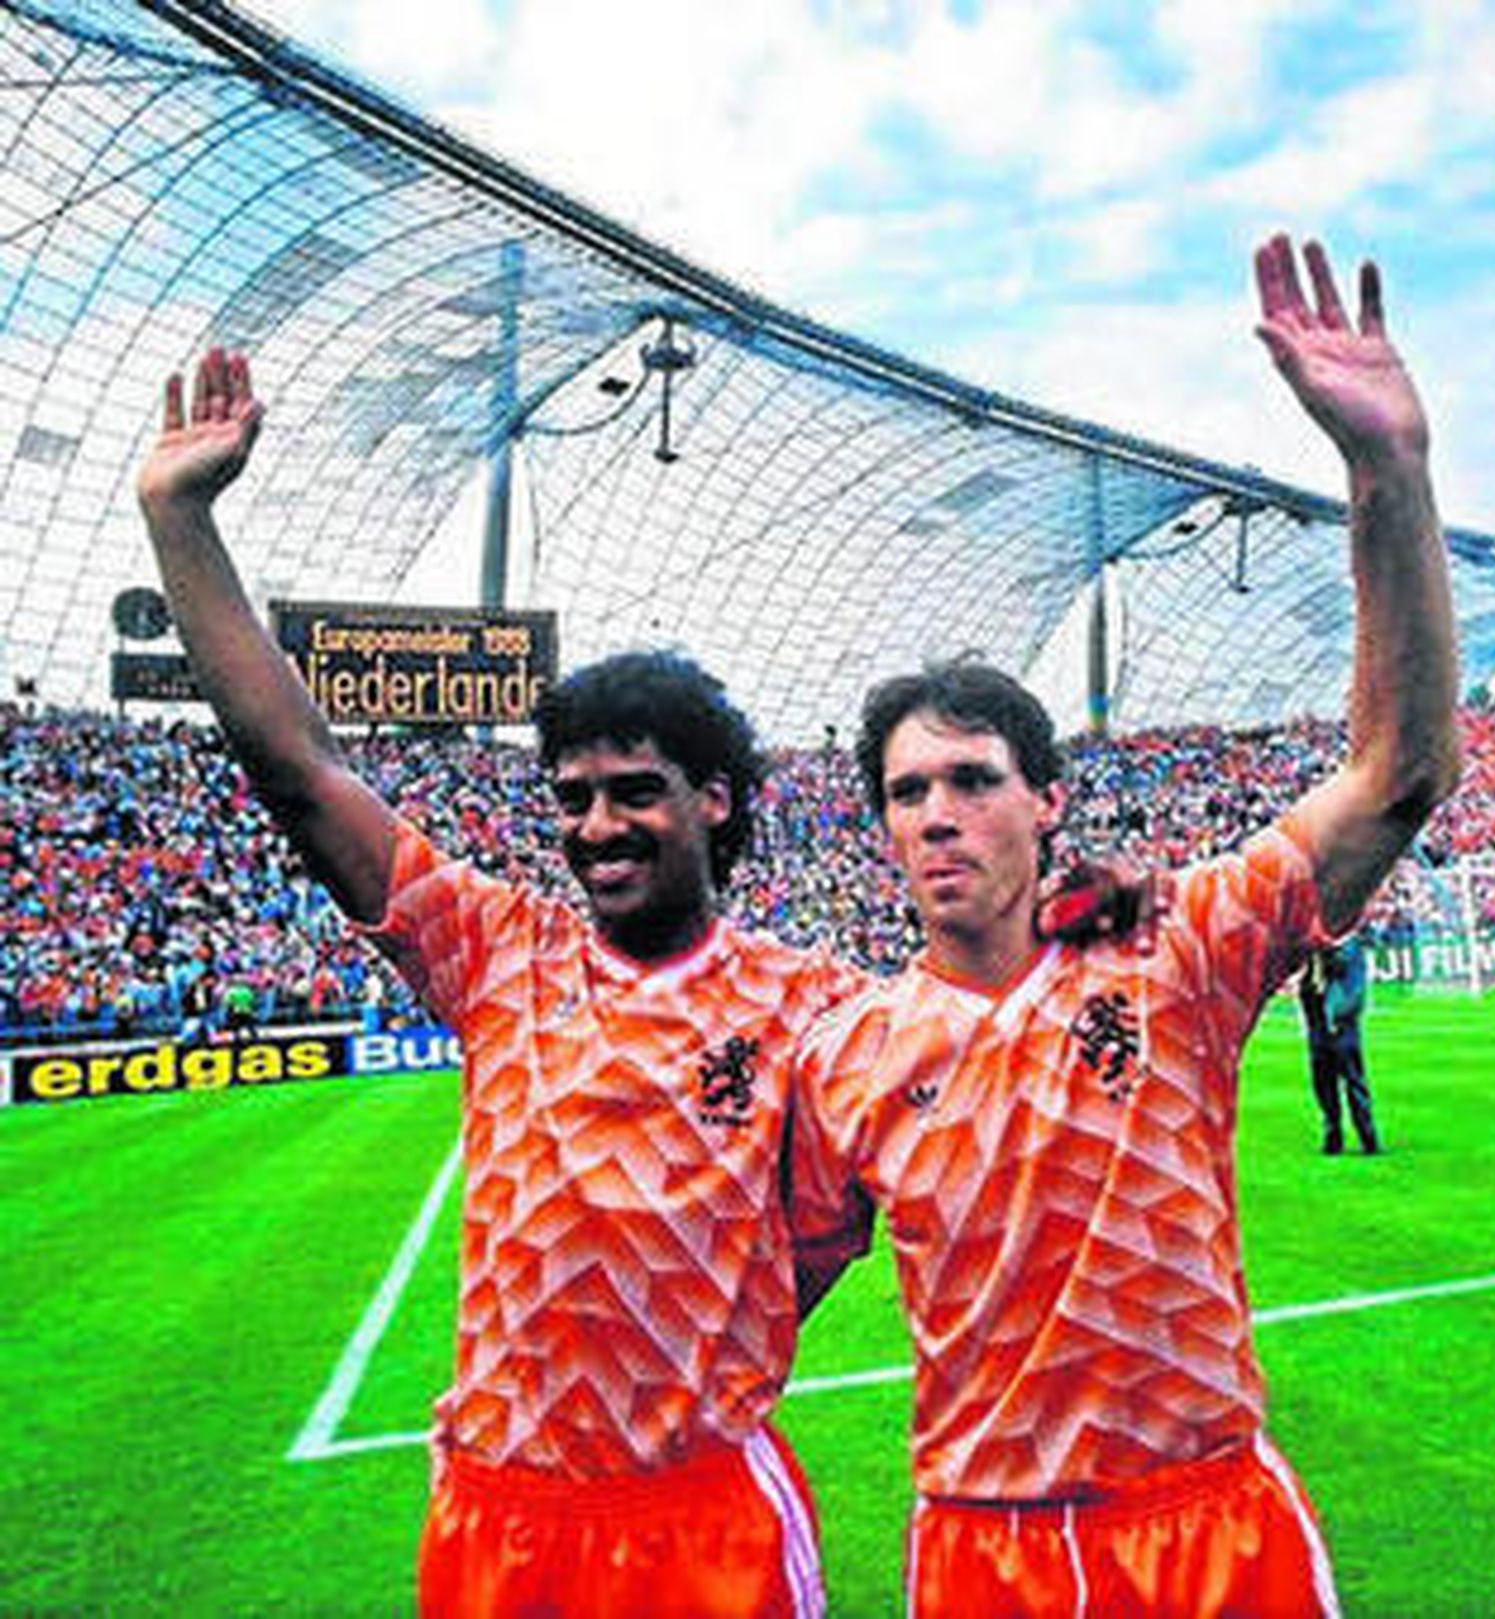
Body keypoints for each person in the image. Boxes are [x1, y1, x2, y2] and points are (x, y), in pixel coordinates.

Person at [135, 351, 1151, 1617]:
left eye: (634, 791)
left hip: (702, 1520)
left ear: (712, 799)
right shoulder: (496, 951)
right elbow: (302, 774)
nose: (597, 824)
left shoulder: (820, 1009)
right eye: (572, 798)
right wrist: (181, 517)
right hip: (498, 1517)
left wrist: (1097, 897)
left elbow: (991, 1023)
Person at [788, 235, 1461, 1618]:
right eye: (908, 790)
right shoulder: (846, 1052)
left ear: (1046, 800)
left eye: (973, 779)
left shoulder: (1178, 949)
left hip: (1204, 1524)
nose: (938, 813)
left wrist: (1386, 475)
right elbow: (753, 1297)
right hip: (983, 1550)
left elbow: (1399, 773)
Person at [1298, 934, 1378, 1154]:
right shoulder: (1315, 949)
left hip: (1342, 1023)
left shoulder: (1349, 944)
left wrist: (1321, 947)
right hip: (1318, 1022)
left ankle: (1368, 1137)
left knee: (1353, 1080)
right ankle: (1332, 1135)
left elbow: (1340, 965)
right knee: (1323, 1082)